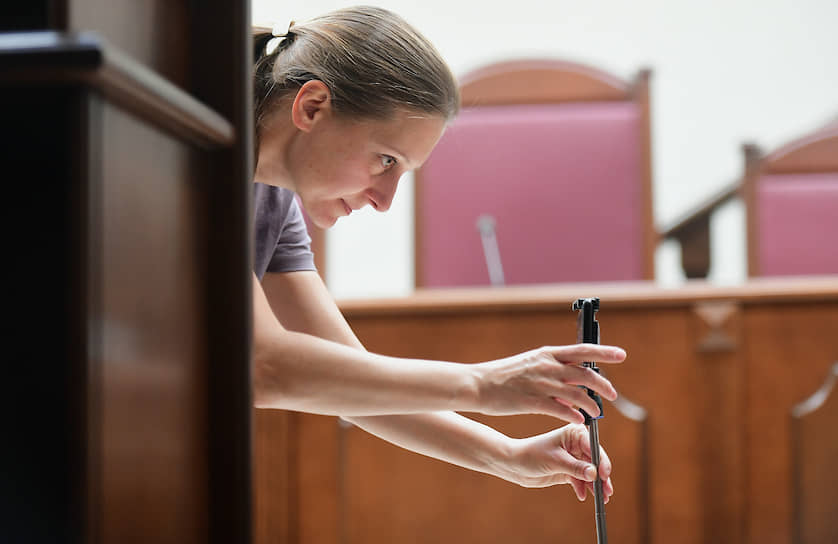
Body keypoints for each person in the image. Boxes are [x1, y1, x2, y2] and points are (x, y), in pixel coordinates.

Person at [250, 5, 626, 502]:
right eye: (386, 160)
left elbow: (349, 379)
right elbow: (264, 367)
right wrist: (481, 384)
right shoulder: (200, 163)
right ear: (312, 106)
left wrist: (506, 455)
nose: (384, 201)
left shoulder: (273, 196)